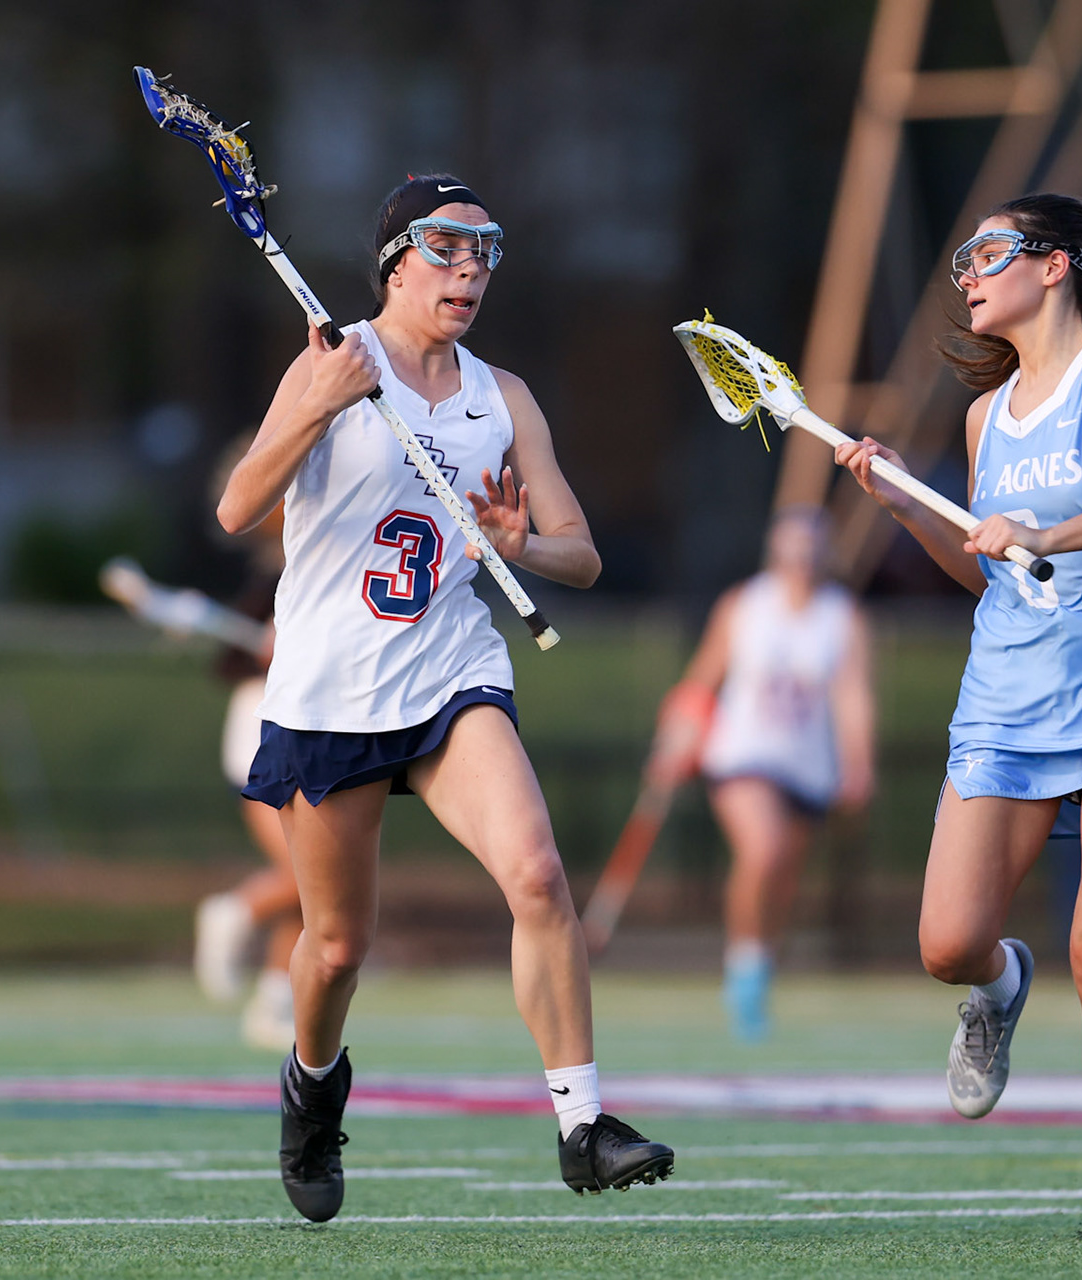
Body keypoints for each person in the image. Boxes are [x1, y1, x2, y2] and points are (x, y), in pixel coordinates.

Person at [216, 174, 673, 1222]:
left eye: (485, 252)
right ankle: (312, 1084)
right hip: (334, 684)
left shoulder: (500, 395)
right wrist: (316, 409)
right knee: (336, 946)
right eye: (446, 248)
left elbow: (585, 555)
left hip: (451, 668)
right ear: (394, 261)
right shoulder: (332, 363)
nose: (469, 270)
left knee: (538, 871)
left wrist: (523, 545)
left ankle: (582, 1122)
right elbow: (242, 503)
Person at [834, 193, 1082, 1244]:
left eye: (990, 252)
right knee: (948, 941)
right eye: (963, 256)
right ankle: (1002, 982)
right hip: (1008, 701)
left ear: (1054, 266)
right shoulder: (982, 415)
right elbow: (991, 574)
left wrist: (1048, 529)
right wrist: (910, 507)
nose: (968, 271)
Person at [647, 506, 874, 1041]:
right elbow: (704, 677)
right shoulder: (744, 605)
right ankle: (743, 968)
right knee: (763, 850)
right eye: (790, 548)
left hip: (807, 765)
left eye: (811, 548)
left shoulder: (843, 617)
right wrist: (675, 738)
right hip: (742, 753)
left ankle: (759, 966)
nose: (800, 560)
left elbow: (852, 699)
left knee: (782, 878)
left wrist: (858, 764)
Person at [193, 471, 302, 1052]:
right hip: (266, 725)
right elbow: (233, 661)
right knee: (311, 875)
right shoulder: (276, 574)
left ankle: (274, 1003)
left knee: (318, 888)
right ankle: (237, 909)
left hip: (321, 723)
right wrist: (268, 645)